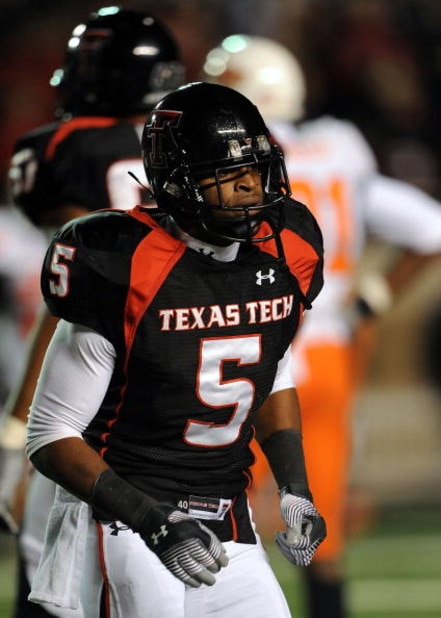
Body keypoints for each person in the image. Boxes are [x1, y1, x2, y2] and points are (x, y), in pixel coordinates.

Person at [25, 81, 326, 618]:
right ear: (177, 183)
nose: (249, 191)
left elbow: (271, 372)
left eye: (254, 172)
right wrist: (152, 521)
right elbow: (50, 435)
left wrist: (294, 489)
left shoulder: (288, 248)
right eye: (227, 176)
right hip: (120, 517)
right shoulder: (123, 260)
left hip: (228, 516)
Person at [201, 35, 441, 618]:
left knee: (217, 513)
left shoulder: (234, 156)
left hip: (250, 343)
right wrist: (370, 298)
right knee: (317, 519)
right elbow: (431, 228)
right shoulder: (339, 146)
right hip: (330, 345)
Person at [1, 6, 185, 616]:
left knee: (52, 571)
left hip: (93, 380)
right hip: (184, 383)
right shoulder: (196, 139)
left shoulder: (62, 149)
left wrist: (17, 416)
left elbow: (74, 291)